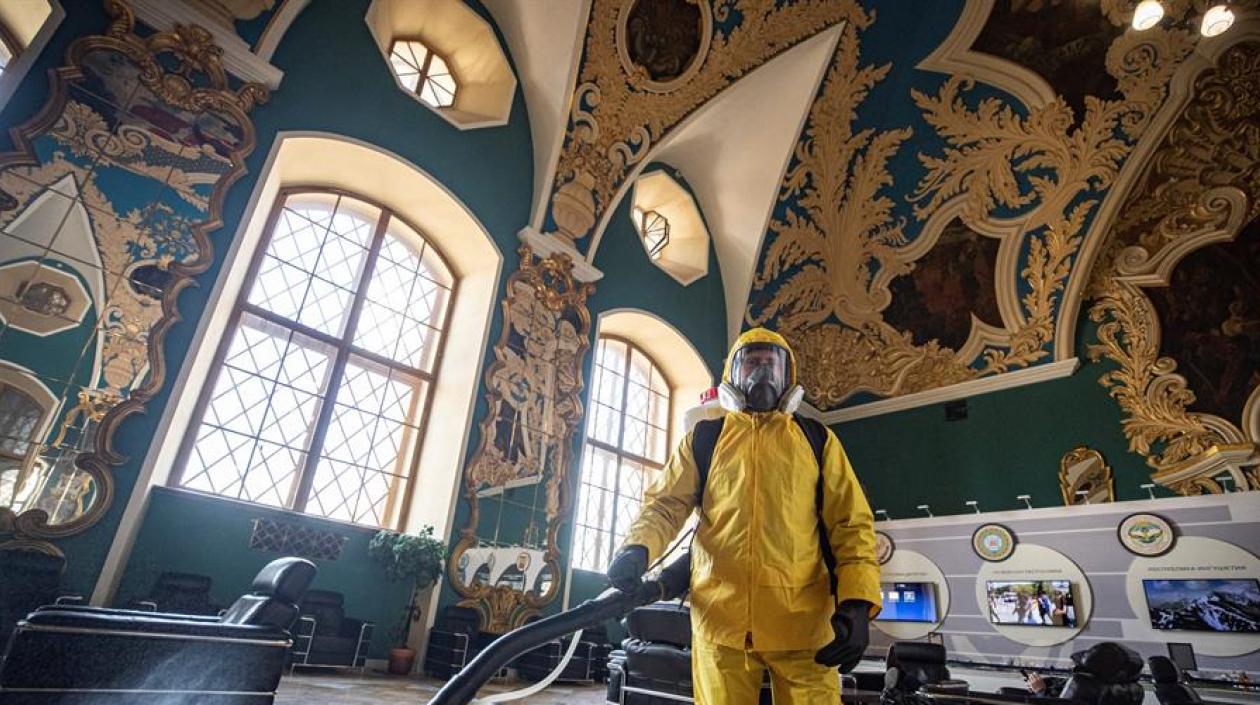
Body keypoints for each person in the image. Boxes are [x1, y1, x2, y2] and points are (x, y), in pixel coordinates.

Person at [605, 328, 881, 705]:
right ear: (733, 375)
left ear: (788, 376)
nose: (761, 375)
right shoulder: (705, 439)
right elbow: (665, 505)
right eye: (752, 363)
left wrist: (857, 603)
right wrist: (637, 547)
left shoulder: (817, 441)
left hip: (802, 620)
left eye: (771, 364)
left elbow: (851, 526)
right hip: (721, 621)